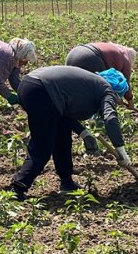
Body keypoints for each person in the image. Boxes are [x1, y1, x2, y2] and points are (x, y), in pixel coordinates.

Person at [8, 66, 131, 201]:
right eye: (120, 98)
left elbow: (63, 113)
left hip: (31, 85)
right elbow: (110, 118)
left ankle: (67, 182)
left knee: (63, 138)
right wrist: (121, 150)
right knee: (42, 145)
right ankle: (18, 187)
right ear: (117, 92)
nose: (119, 101)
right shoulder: (107, 91)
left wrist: (84, 133)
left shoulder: (91, 84)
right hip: (41, 91)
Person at [65, 42, 138, 109]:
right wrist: (130, 102)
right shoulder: (125, 59)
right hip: (90, 59)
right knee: (100, 94)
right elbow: (125, 83)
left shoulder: (111, 48)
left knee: (78, 90)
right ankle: (102, 120)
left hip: (73, 54)